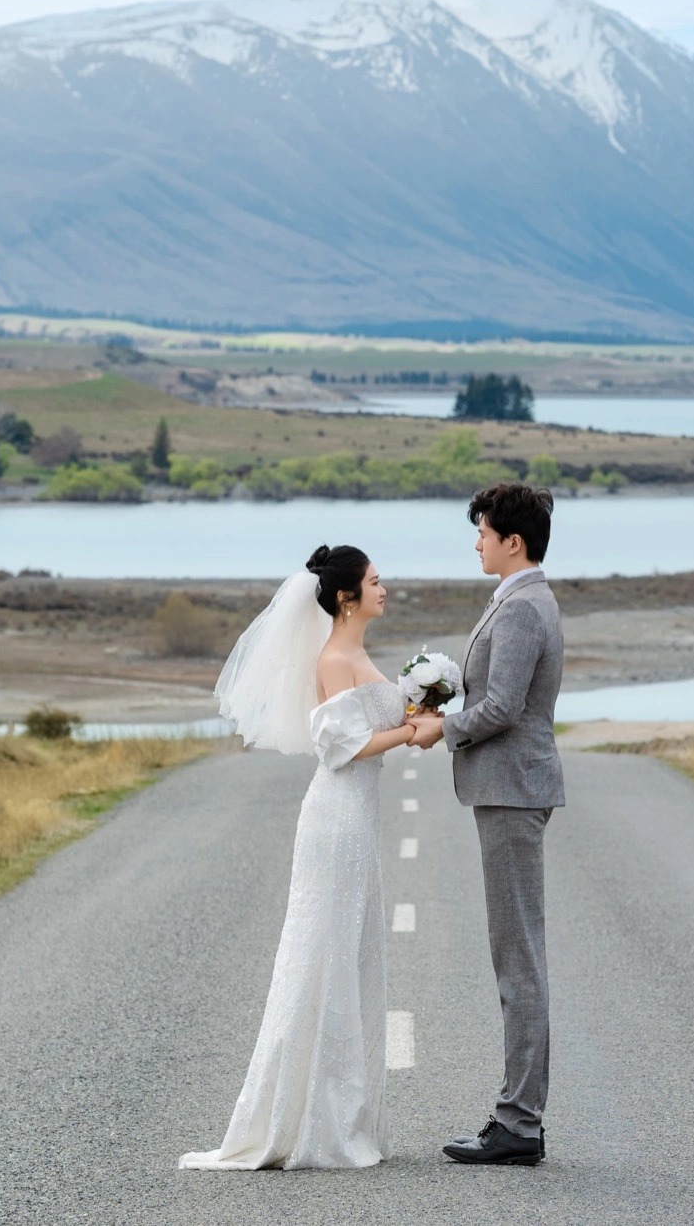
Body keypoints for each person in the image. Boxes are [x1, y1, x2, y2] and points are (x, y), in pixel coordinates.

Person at [180, 544, 424, 1171]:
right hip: (337, 818)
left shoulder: (355, 652)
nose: (384, 587)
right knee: (324, 955)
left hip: (357, 819)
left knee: (345, 955)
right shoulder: (337, 657)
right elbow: (343, 747)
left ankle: (339, 1113)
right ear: (346, 597)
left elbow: (370, 727)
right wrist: (418, 730)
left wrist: (418, 709)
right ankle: (309, 1121)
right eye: (374, 580)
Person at [408, 481, 563, 1167]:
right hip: (505, 790)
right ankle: (518, 1117)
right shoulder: (516, 599)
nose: (476, 541)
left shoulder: (526, 607)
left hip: (511, 790)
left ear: (513, 541)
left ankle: (519, 1124)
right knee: (515, 951)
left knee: (518, 956)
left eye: (482, 531)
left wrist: (441, 729)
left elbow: (501, 708)